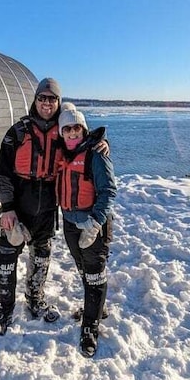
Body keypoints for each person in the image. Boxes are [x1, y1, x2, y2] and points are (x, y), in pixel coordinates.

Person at [0, 78, 108, 336]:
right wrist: (7, 207)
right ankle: (4, 309)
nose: (47, 103)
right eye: (43, 98)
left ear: (58, 102)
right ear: (35, 100)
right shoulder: (18, 132)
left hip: (47, 204)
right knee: (6, 253)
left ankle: (35, 298)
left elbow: (82, 143)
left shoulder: (63, 133)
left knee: (41, 253)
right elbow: (1, 174)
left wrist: (103, 145)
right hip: (19, 200)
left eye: (52, 99)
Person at [56, 102, 116, 357]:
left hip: (92, 223)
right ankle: (97, 308)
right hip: (70, 221)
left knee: (94, 273)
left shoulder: (95, 153)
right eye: (67, 128)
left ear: (83, 129)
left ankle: (90, 326)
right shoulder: (62, 153)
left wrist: (95, 222)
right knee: (82, 268)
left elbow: (108, 190)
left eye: (76, 128)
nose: (72, 132)